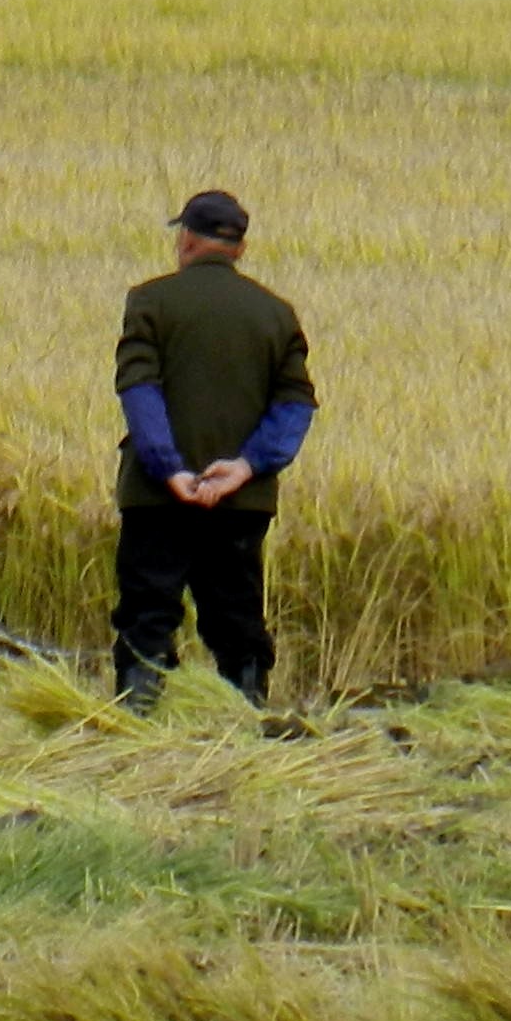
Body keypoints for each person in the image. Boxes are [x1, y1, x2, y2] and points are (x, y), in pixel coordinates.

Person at [111, 189, 316, 713]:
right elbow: (295, 404)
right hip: (240, 503)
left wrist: (170, 469)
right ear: (239, 249)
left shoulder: (150, 301)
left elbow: (138, 389)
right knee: (237, 617)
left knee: (148, 614)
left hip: (158, 499)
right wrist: (246, 467)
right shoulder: (277, 314)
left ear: (186, 240)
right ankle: (247, 717)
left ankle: (137, 721)